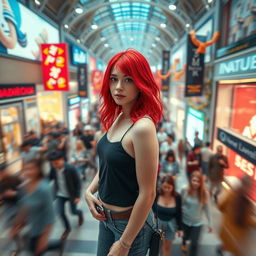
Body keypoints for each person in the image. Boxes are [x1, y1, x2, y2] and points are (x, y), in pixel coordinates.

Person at [84, 49, 163, 256]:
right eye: (113, 79)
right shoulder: (119, 116)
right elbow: (108, 166)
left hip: (130, 227)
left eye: (128, 80)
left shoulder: (142, 128)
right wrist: (89, 191)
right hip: (106, 219)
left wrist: (125, 243)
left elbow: (148, 193)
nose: (118, 87)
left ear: (141, 83)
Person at [10, 158, 64, 256]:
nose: (28, 172)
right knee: (31, 248)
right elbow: (24, 206)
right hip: (32, 227)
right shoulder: (25, 187)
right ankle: (57, 245)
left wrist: (44, 238)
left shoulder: (44, 188)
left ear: (38, 170)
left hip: (41, 229)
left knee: (36, 250)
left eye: (31, 169)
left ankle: (58, 244)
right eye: (26, 169)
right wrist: (17, 225)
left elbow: (50, 215)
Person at [217, 175, 256, 256]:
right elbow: (249, 221)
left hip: (226, 230)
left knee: (226, 245)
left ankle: (220, 249)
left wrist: (227, 214)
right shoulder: (248, 204)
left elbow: (220, 206)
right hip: (236, 239)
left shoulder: (231, 193)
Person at [48, 151, 84, 240]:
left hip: (72, 194)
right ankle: (67, 228)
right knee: (60, 212)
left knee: (73, 212)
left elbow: (78, 183)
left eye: (56, 162)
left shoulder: (71, 168)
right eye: (53, 163)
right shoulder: (53, 169)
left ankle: (80, 214)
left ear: (62, 160)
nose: (55, 165)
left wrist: (78, 196)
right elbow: (48, 179)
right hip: (60, 194)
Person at [181, 171, 212, 256]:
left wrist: (210, 223)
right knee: (185, 237)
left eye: (198, 181)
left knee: (194, 243)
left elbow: (207, 209)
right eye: (194, 180)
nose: (195, 183)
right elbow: (180, 204)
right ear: (190, 180)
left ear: (201, 182)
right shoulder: (185, 190)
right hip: (185, 220)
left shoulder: (204, 193)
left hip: (197, 222)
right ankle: (184, 244)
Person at [156, 175, 183, 256]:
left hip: (171, 225)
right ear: (161, 185)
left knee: (167, 247)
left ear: (173, 187)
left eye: (169, 187)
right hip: (159, 225)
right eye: (164, 187)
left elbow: (179, 213)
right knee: (158, 245)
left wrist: (180, 228)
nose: (167, 190)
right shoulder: (157, 194)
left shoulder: (177, 197)